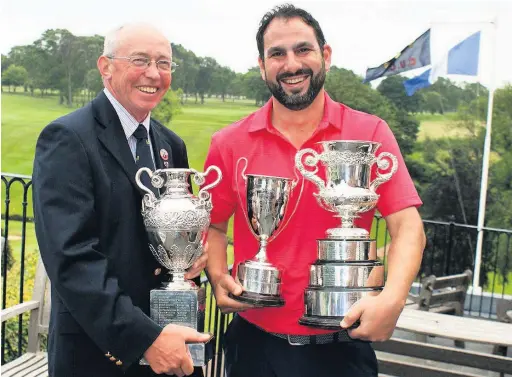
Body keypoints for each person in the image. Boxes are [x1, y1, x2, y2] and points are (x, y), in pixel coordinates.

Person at [203, 4, 426, 377]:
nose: (291, 64)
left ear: (325, 55)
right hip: (255, 349)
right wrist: (215, 274)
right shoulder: (229, 143)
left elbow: (409, 229)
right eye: (277, 54)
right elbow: (212, 226)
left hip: (343, 349)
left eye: (303, 49)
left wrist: (393, 299)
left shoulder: (370, 134)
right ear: (262, 65)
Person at [32, 23, 210, 377]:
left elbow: (168, 236)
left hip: (169, 345)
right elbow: (72, 259)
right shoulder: (67, 138)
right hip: (99, 354)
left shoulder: (169, 144)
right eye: (140, 60)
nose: (153, 73)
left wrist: (190, 258)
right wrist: (143, 339)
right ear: (106, 66)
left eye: (164, 63)